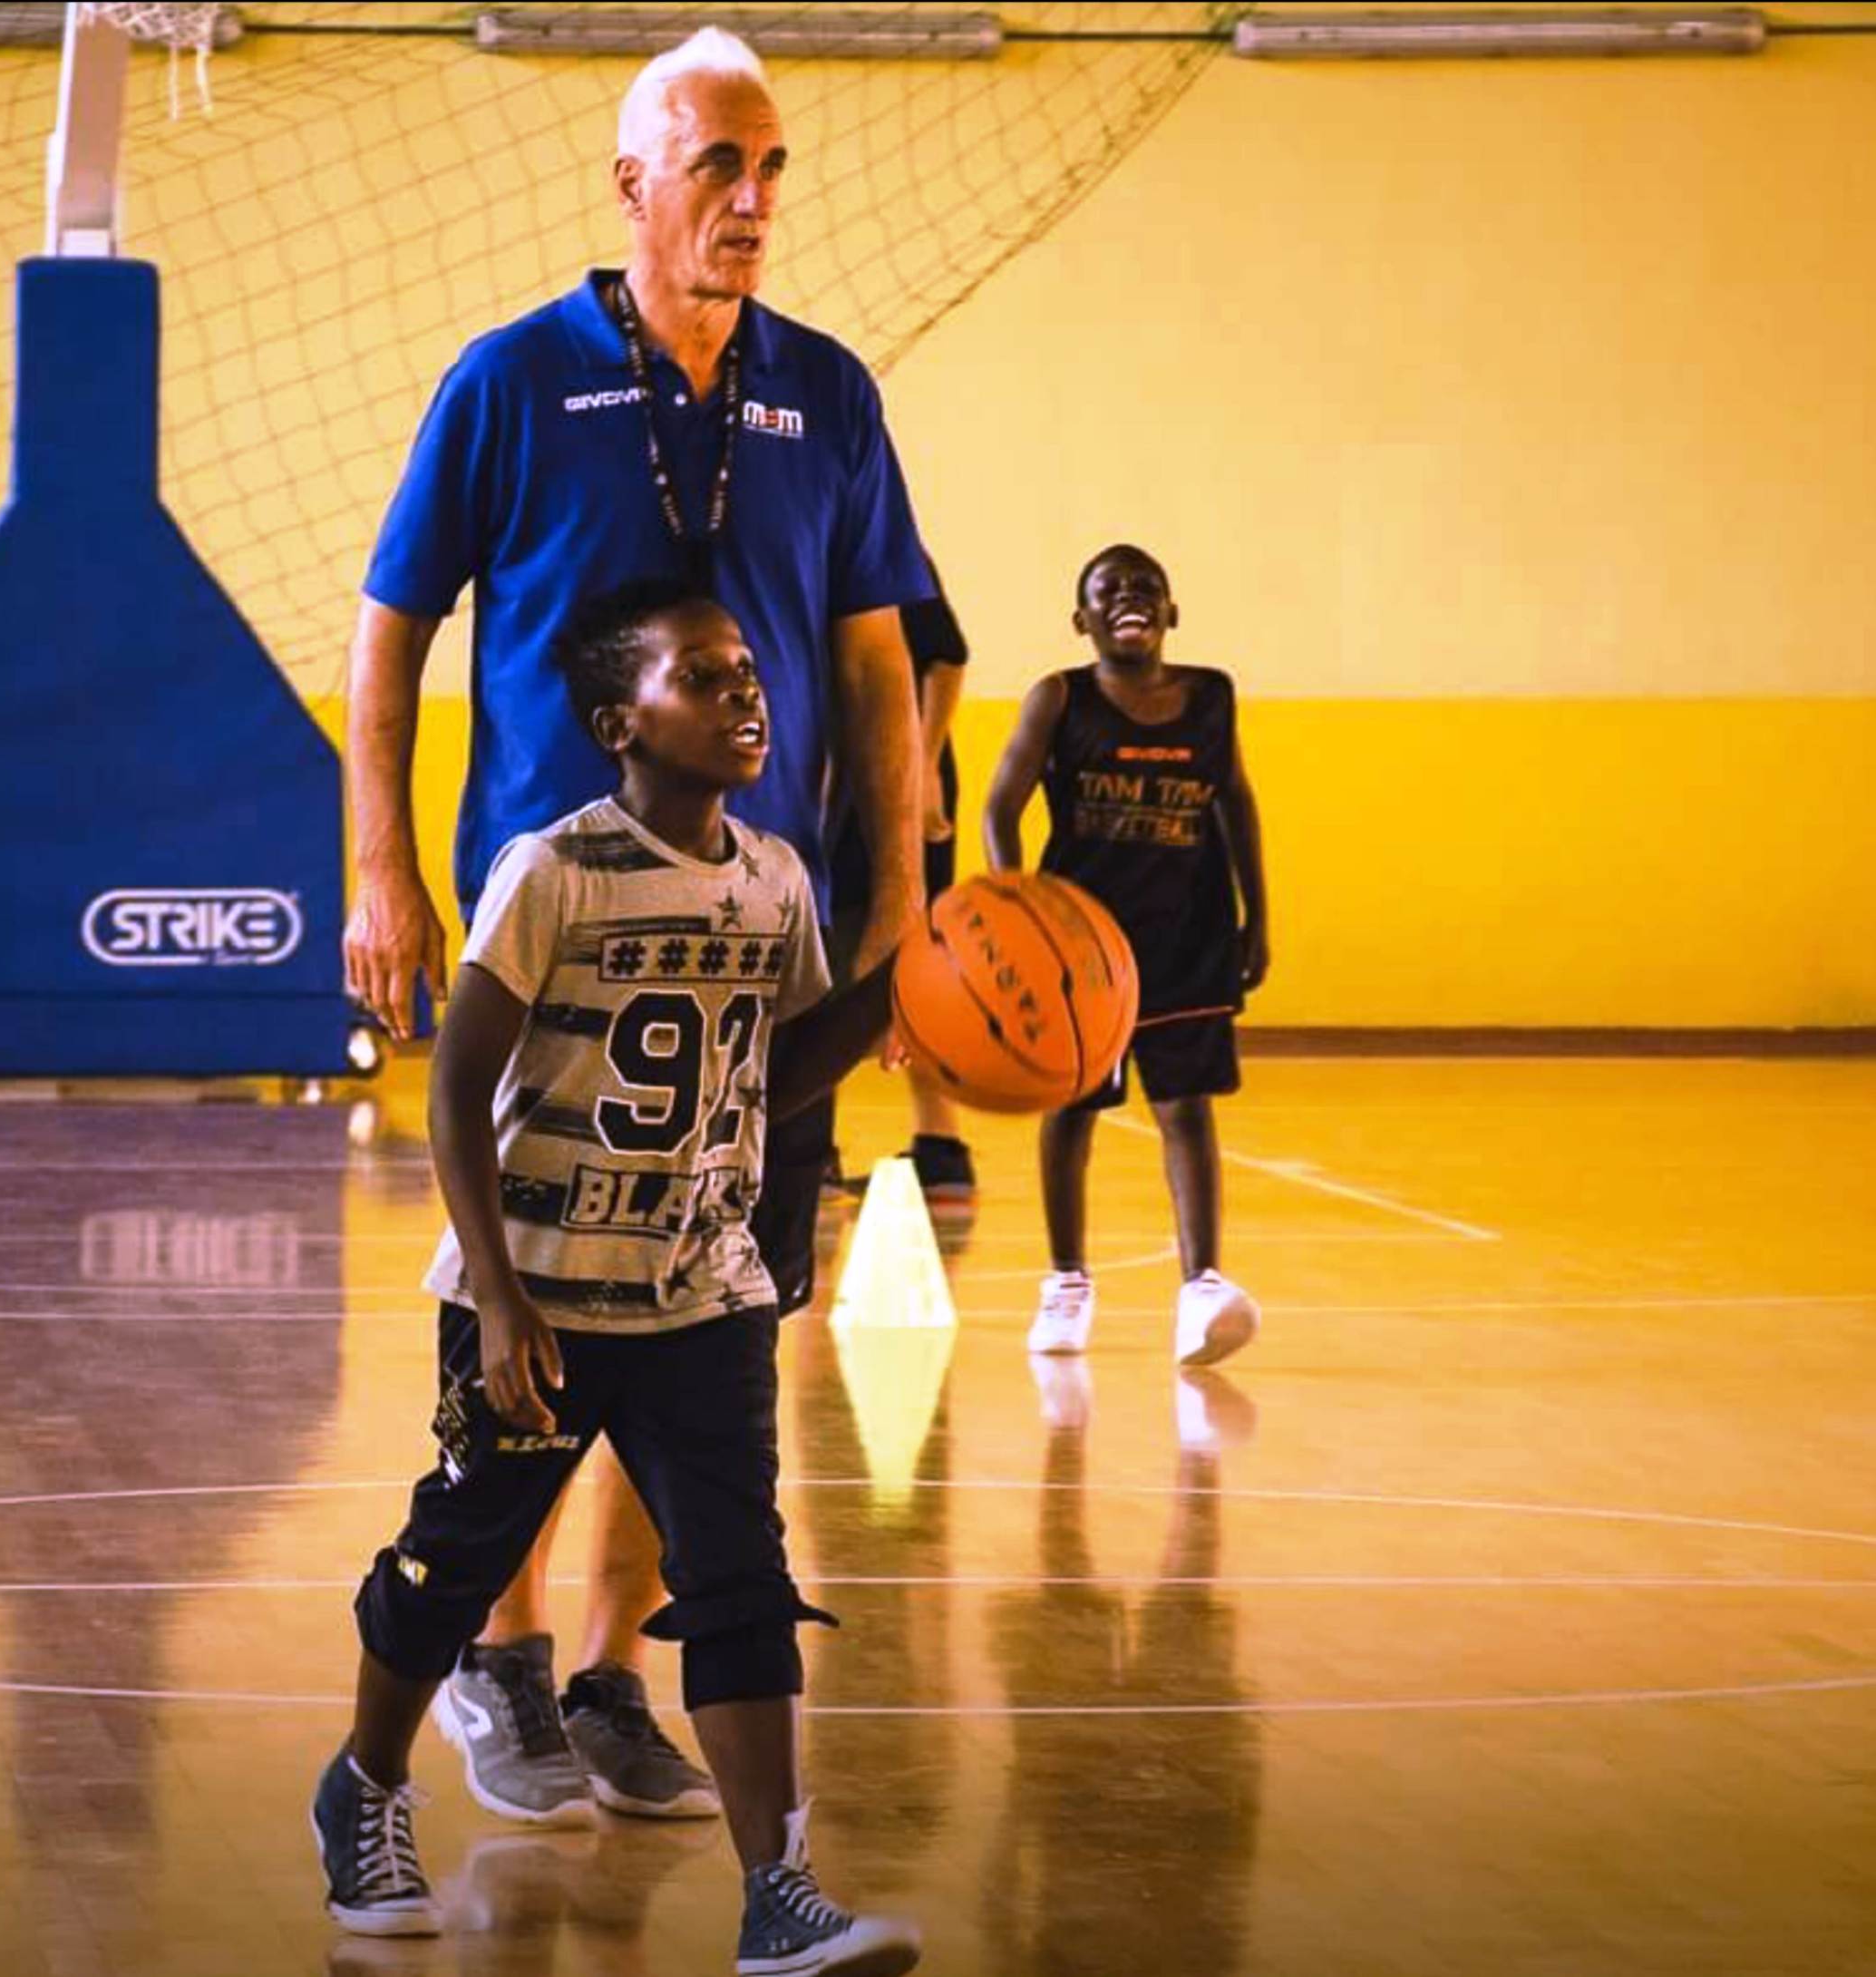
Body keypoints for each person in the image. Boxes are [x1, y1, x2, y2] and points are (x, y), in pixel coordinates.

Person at [339, 24, 931, 1825]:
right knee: (523, 1318)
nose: (749, 203)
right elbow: (389, 637)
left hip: (765, 951)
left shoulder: (828, 396)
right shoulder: (511, 381)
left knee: (712, 1326)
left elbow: (878, 663)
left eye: (770, 171)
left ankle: (609, 1670)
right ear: (630, 186)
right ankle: (493, 1667)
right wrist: (379, 863)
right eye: (715, 170)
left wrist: (898, 900)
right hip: (556, 951)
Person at [314, 581, 921, 1977]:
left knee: (743, 1584)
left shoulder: (775, 878)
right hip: (535, 1292)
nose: (746, 694)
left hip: (700, 1289)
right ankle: (364, 1786)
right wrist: (504, 1300)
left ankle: (781, 1890)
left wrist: (907, 991)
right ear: (617, 722)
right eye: (703, 678)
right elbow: (457, 1092)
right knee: (456, 1559)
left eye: (747, 672)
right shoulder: (555, 871)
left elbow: (773, 1068)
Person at [982, 543, 1271, 1366]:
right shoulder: (1059, 699)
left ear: (1172, 612)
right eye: (1108, 591)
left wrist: (1260, 916)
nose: (1129, 599)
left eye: (1146, 588)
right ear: (1083, 620)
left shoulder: (1212, 696)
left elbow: (1236, 805)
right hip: (1081, 941)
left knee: (1186, 1107)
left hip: (1190, 930)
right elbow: (1001, 807)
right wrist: (1017, 909)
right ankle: (1067, 1283)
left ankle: (1203, 1286)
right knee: (1073, 1108)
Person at [824, 564, 976, 1201]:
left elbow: (947, 657)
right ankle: (811, 1146)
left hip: (895, 773)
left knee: (916, 959)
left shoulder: (879, 549)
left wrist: (926, 762)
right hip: (825, 777)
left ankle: (941, 1145)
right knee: (820, 963)